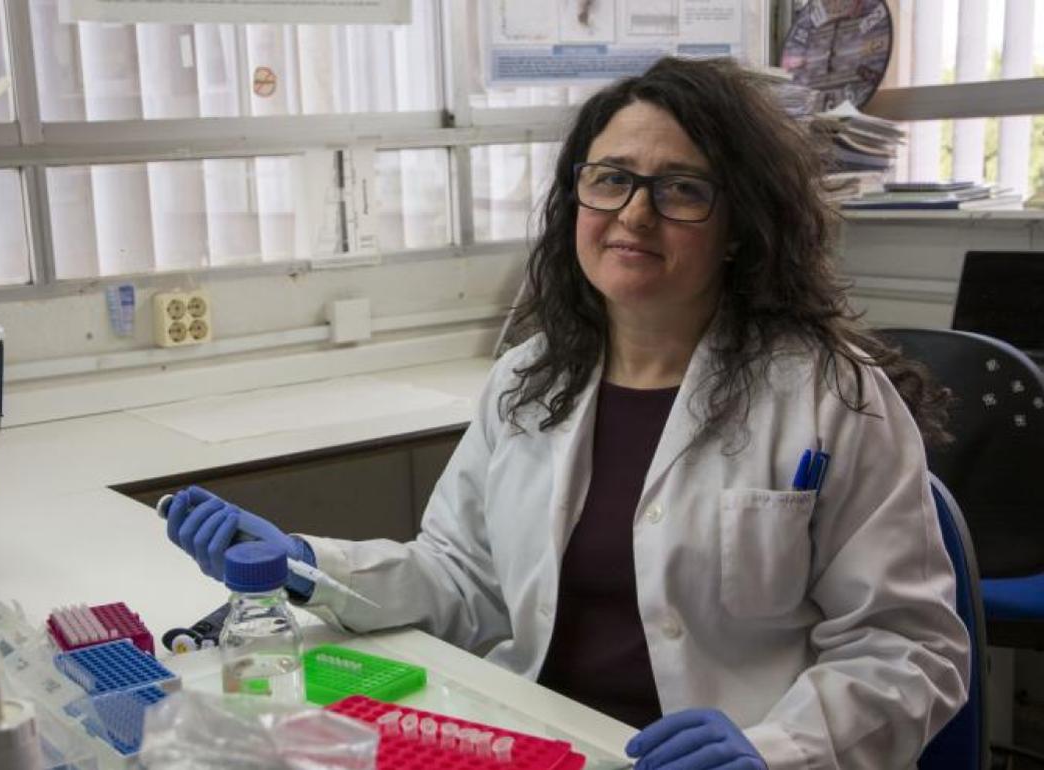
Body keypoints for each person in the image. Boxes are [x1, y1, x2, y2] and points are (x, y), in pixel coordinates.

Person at [163, 56, 969, 769]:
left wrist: (777, 748)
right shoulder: (530, 379)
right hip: (543, 741)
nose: (635, 214)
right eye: (611, 178)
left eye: (682, 189)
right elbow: (463, 580)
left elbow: (909, 650)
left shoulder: (833, 399)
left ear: (738, 227)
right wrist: (306, 563)